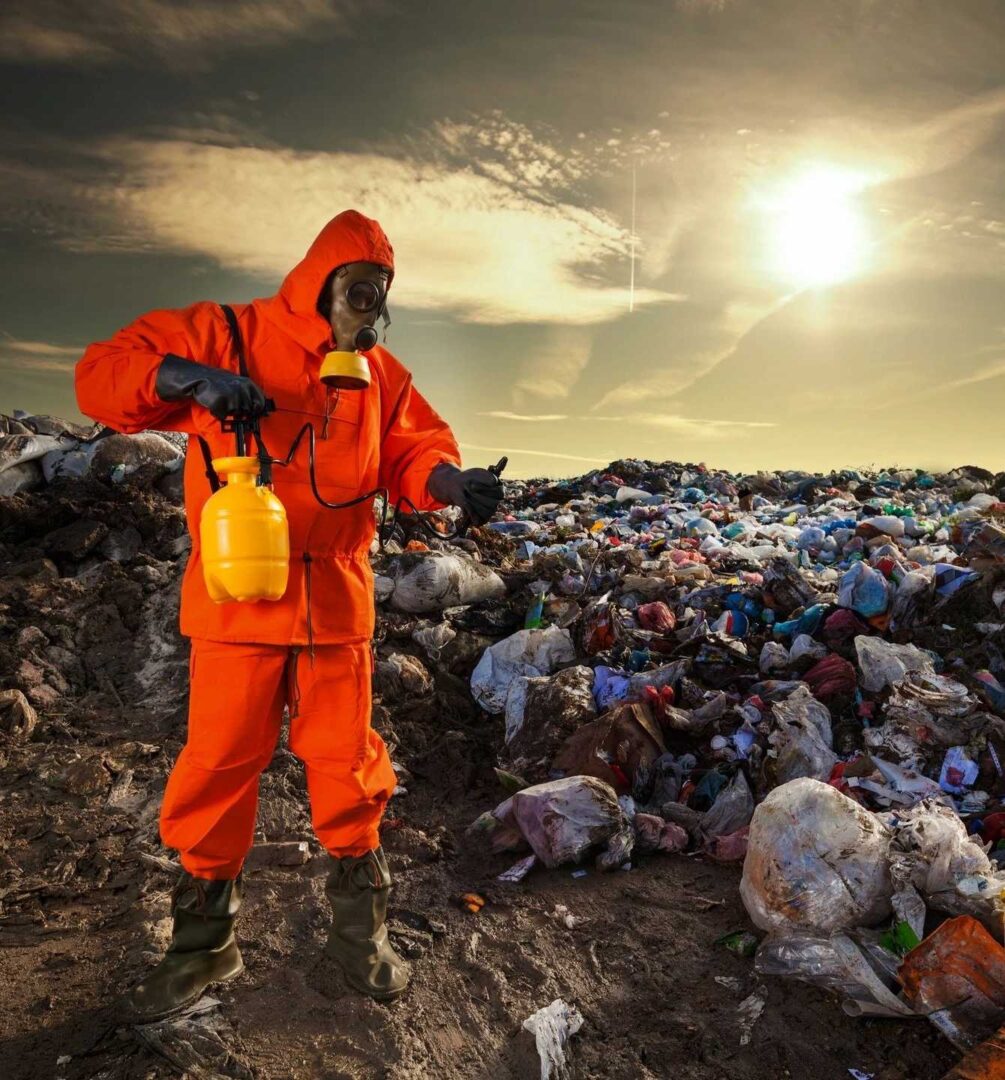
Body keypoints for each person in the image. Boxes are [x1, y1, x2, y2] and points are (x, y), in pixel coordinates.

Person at [74, 209, 504, 1018]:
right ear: (317, 286)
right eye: (355, 295)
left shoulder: (379, 377)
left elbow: (413, 448)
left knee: (349, 767)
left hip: (335, 605)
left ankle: (357, 938)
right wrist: (184, 378)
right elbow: (101, 372)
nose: (366, 315)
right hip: (240, 601)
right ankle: (201, 948)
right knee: (219, 765)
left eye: (378, 300)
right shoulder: (223, 336)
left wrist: (450, 484)